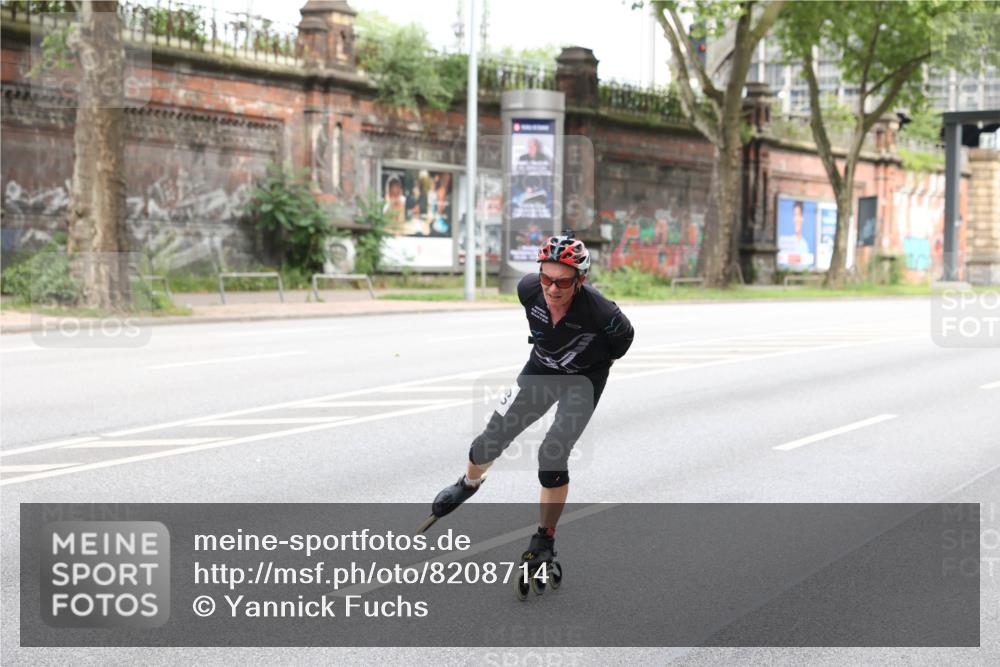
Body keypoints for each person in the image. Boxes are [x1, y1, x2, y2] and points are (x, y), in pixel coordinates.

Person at [420, 232, 635, 574]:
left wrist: (586, 364)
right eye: (546, 278)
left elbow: (621, 346)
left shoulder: (603, 313)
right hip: (540, 369)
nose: (552, 289)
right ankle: (469, 483)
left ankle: (545, 539)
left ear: (580, 280)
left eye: (562, 282)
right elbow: (538, 325)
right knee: (488, 441)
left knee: (552, 454)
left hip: (583, 381)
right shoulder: (527, 289)